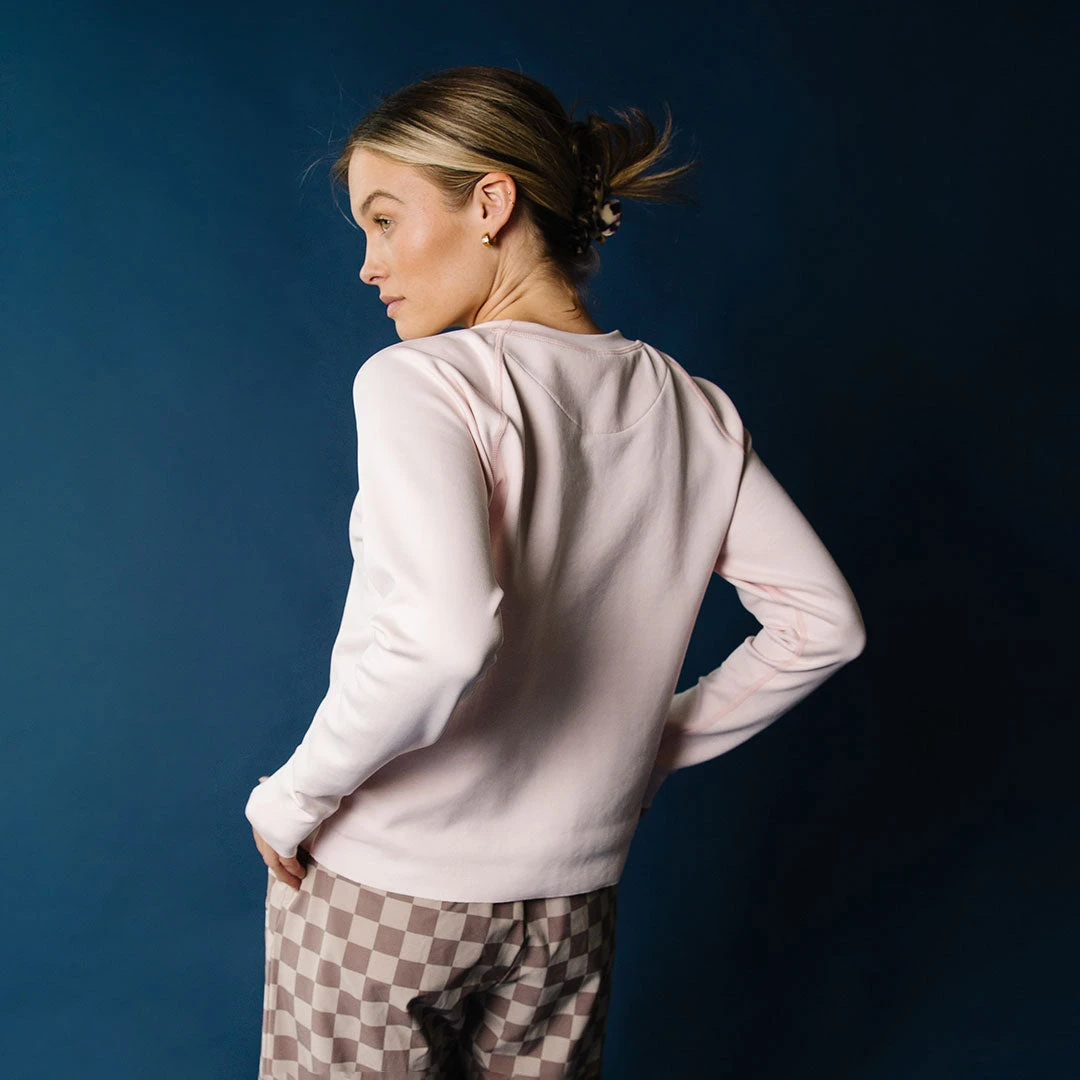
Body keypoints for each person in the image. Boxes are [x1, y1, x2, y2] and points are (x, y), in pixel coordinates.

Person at [244, 65, 866, 1080]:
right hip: (572, 907)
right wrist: (647, 746)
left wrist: (290, 799)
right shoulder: (694, 408)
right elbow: (823, 626)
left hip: (386, 892)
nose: (368, 264)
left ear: (491, 202)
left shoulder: (423, 382)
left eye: (386, 220)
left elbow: (445, 637)